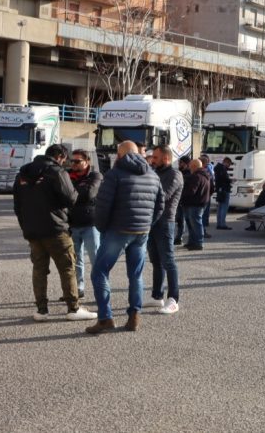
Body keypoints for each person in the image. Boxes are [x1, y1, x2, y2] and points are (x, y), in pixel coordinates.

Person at [86, 141, 164, 334]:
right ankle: (134, 316)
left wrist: (102, 228)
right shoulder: (153, 175)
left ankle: (105, 318)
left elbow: (103, 205)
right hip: (141, 231)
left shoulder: (114, 174)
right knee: (135, 275)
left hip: (117, 230)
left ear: (119, 155)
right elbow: (160, 205)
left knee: (99, 272)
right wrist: (147, 224)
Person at [13, 144, 96, 322]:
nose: (66, 163)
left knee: (39, 270)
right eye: (65, 160)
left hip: (33, 232)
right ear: (59, 156)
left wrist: (26, 227)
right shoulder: (57, 172)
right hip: (56, 229)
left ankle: (42, 310)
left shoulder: (22, 174)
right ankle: (73, 308)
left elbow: (17, 206)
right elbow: (71, 197)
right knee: (67, 268)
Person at [146, 145, 183, 315]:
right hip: (152, 222)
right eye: (152, 157)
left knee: (168, 261)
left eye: (155, 157)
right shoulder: (155, 173)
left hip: (165, 222)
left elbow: (164, 195)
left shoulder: (175, 174)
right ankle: (156, 296)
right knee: (156, 261)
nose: (152, 160)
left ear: (166, 158)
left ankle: (173, 299)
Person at [68, 149, 102, 299]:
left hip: (91, 224)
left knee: (96, 259)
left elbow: (89, 193)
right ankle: (79, 287)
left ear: (87, 161)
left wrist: (72, 193)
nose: (73, 164)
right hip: (72, 224)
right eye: (72, 161)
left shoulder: (95, 176)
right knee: (76, 259)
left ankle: (100, 288)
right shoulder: (67, 175)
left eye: (77, 161)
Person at [180, 158, 212, 251]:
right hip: (200, 202)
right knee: (193, 223)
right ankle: (192, 242)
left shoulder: (196, 176)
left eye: (190, 166)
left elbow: (191, 191)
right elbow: (212, 188)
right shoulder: (206, 175)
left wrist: (181, 195)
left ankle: (198, 243)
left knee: (195, 223)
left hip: (194, 203)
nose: (189, 168)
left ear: (194, 166)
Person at [173, 155, 191, 245]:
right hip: (179, 200)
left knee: (186, 219)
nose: (179, 164)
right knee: (180, 220)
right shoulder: (180, 172)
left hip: (185, 201)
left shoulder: (188, 174)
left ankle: (180, 237)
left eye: (181, 163)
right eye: (179, 162)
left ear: (186, 164)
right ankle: (179, 237)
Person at [213, 157, 233, 230]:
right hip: (224, 189)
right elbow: (224, 179)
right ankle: (222, 224)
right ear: (226, 162)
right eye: (229, 164)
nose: (229, 166)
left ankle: (219, 223)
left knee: (220, 207)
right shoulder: (222, 169)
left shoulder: (217, 168)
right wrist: (230, 180)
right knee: (224, 207)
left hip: (220, 189)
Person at [199, 154, 213, 236]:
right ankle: (202, 232)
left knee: (201, 216)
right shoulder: (207, 172)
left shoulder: (204, 171)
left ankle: (202, 232)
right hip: (204, 197)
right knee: (201, 216)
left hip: (203, 197)